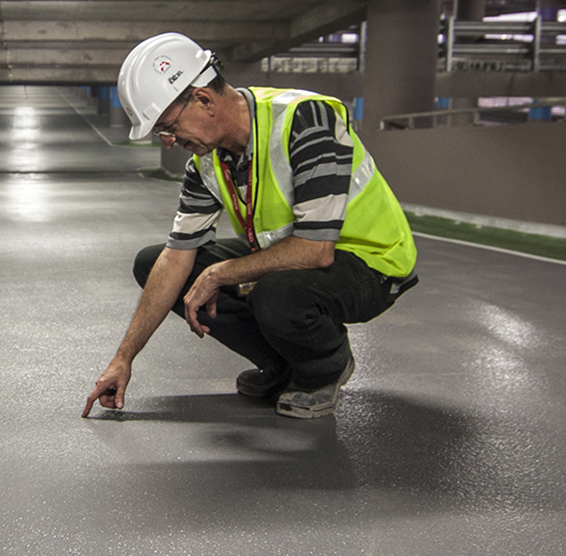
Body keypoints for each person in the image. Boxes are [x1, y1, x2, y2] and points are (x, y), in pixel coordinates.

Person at [83, 32, 417, 420]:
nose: (169, 142)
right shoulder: (207, 163)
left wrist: (221, 272)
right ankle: (282, 364)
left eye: (166, 127)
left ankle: (323, 369)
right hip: (299, 258)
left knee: (275, 293)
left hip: (371, 263)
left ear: (203, 99)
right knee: (153, 262)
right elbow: (176, 259)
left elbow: (316, 250)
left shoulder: (305, 119)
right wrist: (124, 359)